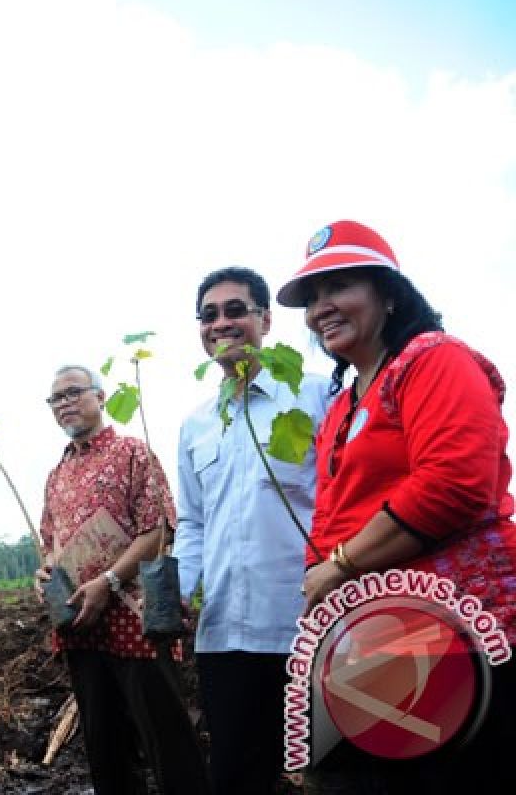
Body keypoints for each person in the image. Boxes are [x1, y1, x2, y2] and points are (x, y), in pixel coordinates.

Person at [277, 219, 516, 792]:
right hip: (380, 638)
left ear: (389, 294)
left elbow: (454, 480)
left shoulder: (434, 360)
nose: (320, 308)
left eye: (339, 287)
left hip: (460, 631)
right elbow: (334, 513)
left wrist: (339, 568)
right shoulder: (342, 406)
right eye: (311, 297)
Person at [172, 267, 332, 794]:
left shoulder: (314, 397)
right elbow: (193, 522)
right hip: (222, 637)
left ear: (265, 320)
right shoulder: (197, 424)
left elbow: (341, 499)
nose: (222, 323)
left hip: (307, 628)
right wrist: (178, 592)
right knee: (238, 777)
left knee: (327, 775)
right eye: (209, 314)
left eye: (236, 310)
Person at [35, 365, 211, 795]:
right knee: (104, 745)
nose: (65, 403)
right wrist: (44, 574)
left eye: (74, 392)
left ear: (101, 397)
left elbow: (158, 531)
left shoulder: (133, 454)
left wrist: (110, 581)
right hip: (82, 627)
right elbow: (50, 543)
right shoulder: (56, 476)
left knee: (166, 737)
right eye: (55, 399)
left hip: (137, 620)